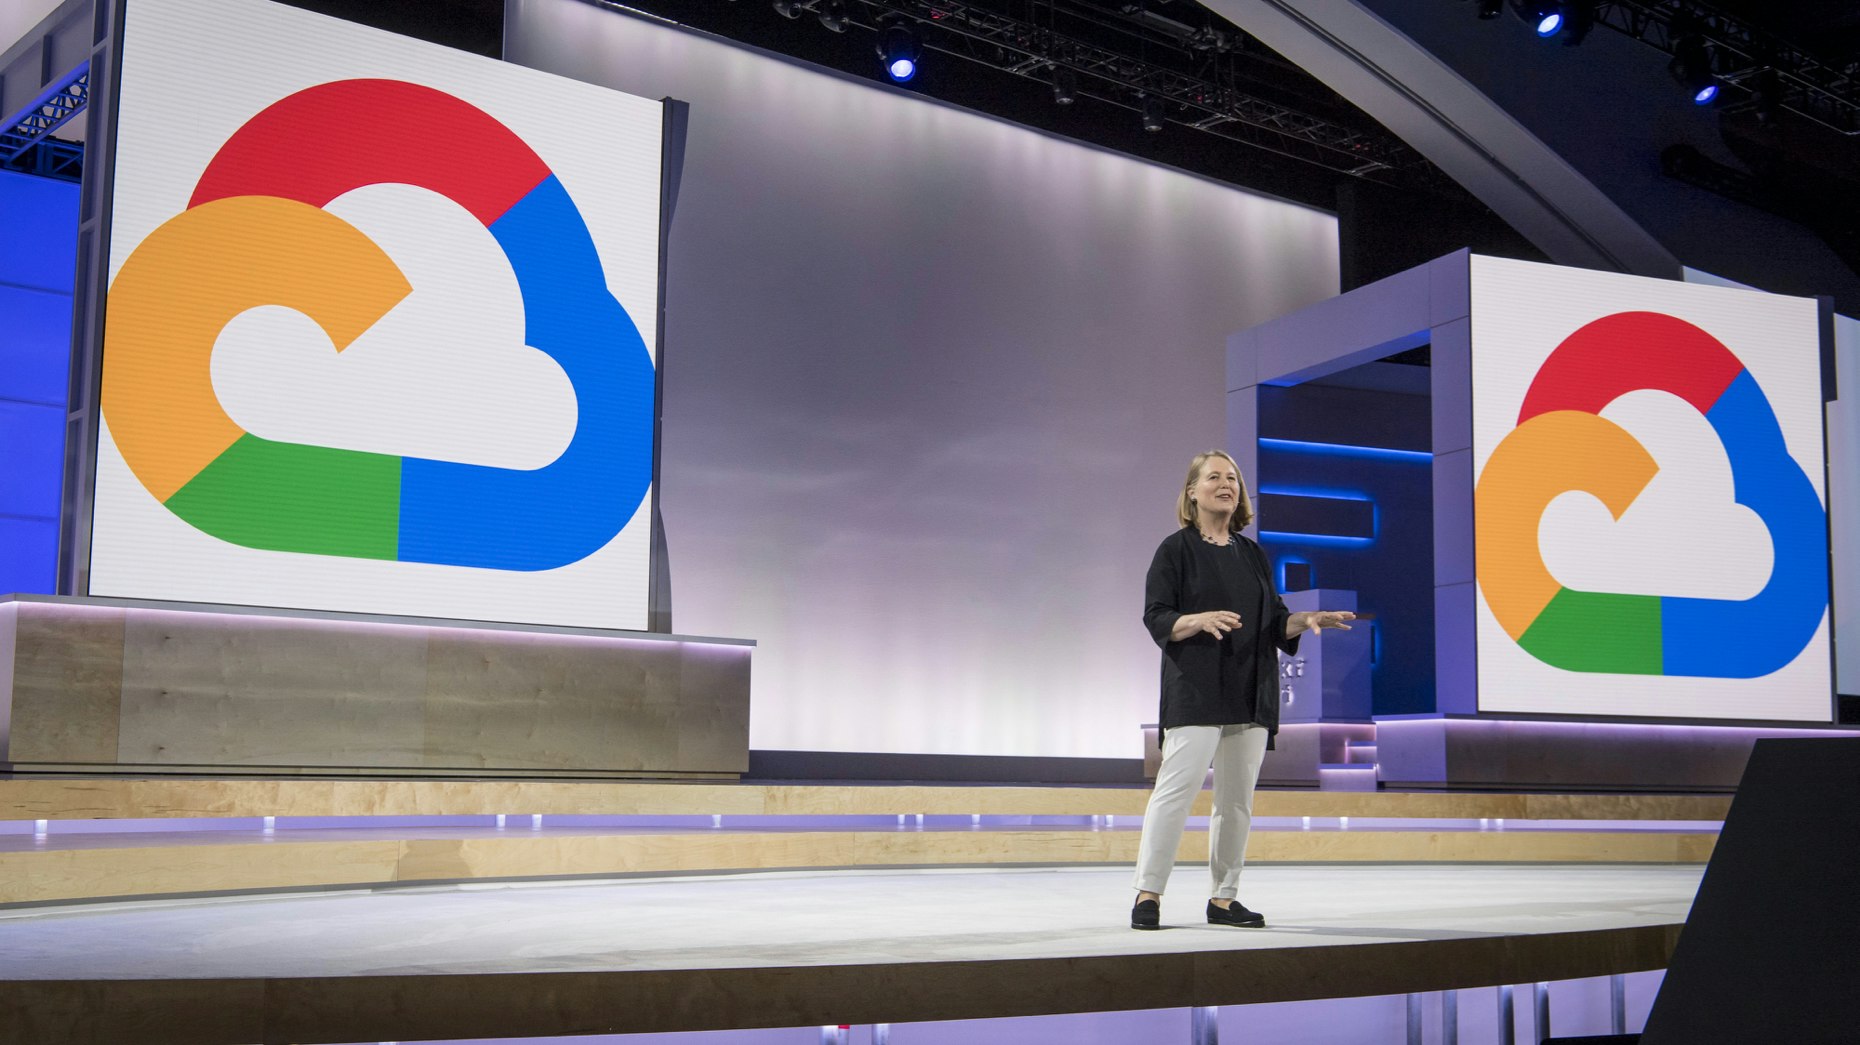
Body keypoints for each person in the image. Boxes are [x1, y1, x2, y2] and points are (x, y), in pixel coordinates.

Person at [1130, 449, 1355, 930]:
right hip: (1196, 690)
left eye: (1232, 477)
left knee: (1236, 803)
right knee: (1174, 794)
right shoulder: (1175, 550)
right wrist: (1196, 619)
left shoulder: (1252, 553)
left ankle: (1224, 899)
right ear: (1192, 491)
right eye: (1214, 477)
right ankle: (1148, 894)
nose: (1226, 484)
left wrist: (1305, 619)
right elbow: (1156, 616)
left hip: (1251, 691)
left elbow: (1274, 622)